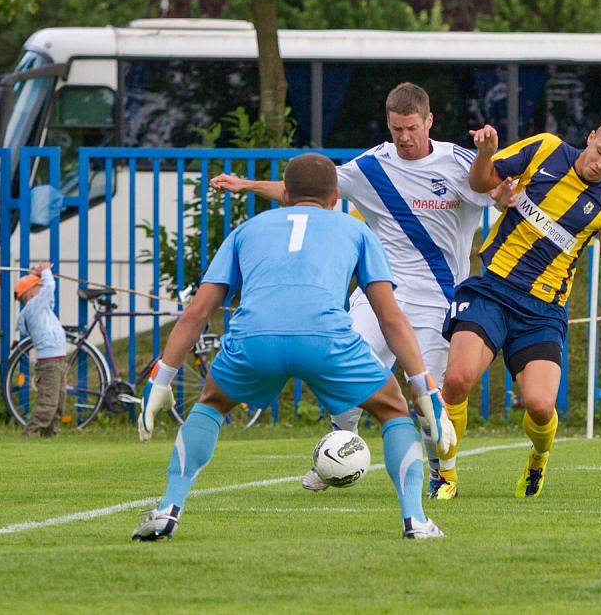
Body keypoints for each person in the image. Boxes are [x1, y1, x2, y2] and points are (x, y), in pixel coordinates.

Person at [210, 82, 516, 499]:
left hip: (440, 299)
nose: (405, 138)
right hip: (381, 295)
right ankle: (336, 454)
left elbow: (494, 193)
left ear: (429, 121)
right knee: (347, 376)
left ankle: (442, 472)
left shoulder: (459, 163)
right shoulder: (370, 167)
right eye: (396, 129)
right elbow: (303, 193)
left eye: (412, 128)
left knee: (426, 395)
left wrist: (500, 185)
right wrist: (245, 185)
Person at [133, 153, 455, 542]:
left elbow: (197, 312)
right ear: (336, 197)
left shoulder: (247, 230)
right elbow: (390, 317)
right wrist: (425, 389)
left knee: (212, 404)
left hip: (255, 339)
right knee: (392, 409)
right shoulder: (355, 231)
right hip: (326, 337)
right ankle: (416, 521)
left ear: (284, 195)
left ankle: (169, 507)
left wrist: (161, 378)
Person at [440, 115, 601, 498]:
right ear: (590, 137)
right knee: (455, 381)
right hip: (493, 290)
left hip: (543, 312)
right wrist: (485, 154)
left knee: (539, 404)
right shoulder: (545, 149)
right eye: (600, 151)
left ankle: (537, 462)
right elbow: (480, 182)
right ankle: (446, 475)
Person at [15, 261, 67, 437]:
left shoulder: (42, 308)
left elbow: (48, 294)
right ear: (30, 292)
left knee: (59, 401)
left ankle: (49, 435)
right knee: (48, 403)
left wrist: (39, 275)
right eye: (39, 286)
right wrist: (45, 272)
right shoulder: (32, 308)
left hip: (58, 360)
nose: (42, 287)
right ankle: (31, 433)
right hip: (49, 363)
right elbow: (49, 288)